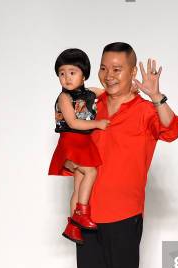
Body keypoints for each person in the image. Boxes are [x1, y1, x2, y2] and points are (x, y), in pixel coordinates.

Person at [68, 42, 178, 268]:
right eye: (104, 67)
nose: (108, 75)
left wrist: (157, 96)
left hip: (125, 212)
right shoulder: (90, 105)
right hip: (86, 211)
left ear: (132, 71)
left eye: (117, 69)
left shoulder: (147, 111)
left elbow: (172, 130)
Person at [48, 48, 109, 244]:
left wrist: (131, 89)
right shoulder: (64, 98)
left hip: (83, 145)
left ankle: (73, 227)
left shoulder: (90, 92)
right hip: (70, 143)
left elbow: (108, 92)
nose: (66, 78)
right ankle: (82, 212)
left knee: (79, 182)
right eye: (62, 73)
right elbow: (73, 123)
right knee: (90, 172)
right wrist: (97, 124)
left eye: (72, 72)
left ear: (84, 75)